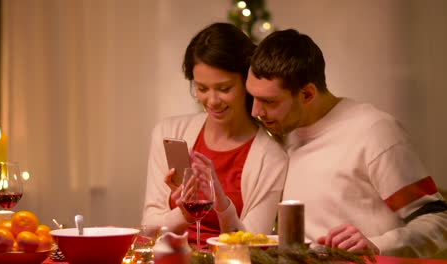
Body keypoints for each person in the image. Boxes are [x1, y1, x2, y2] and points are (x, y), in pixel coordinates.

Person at [246, 28, 447, 257]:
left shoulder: (375, 132)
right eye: (252, 96)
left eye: (268, 101)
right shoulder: (284, 132)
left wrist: (376, 245)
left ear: (307, 94)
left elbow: (437, 221)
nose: (255, 111)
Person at [141, 22, 287, 245]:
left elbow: (253, 247)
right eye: (202, 88)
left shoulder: (271, 158)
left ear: (246, 82)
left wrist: (221, 203)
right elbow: (149, 229)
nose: (212, 101)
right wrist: (185, 214)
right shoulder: (169, 133)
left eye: (224, 88)